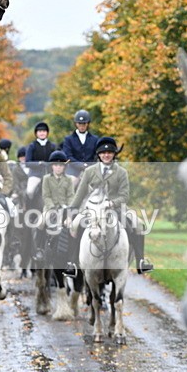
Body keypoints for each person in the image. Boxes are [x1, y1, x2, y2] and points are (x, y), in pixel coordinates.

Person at [69, 136, 154, 273]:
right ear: (98, 154)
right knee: (74, 225)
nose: (106, 155)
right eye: (103, 153)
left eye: (109, 153)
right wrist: (72, 209)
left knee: (138, 224)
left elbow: (125, 196)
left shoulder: (122, 172)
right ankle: (72, 263)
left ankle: (141, 261)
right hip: (92, 209)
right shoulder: (89, 171)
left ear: (114, 154)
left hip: (116, 209)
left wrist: (112, 203)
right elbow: (80, 193)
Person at [33, 150, 75, 262]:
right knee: (40, 222)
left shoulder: (69, 179)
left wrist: (68, 208)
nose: (58, 168)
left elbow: (71, 195)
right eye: (56, 165)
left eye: (61, 165)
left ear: (64, 167)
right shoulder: (46, 178)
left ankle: (73, 255)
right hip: (50, 208)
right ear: (52, 166)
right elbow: (46, 196)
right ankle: (40, 248)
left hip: (65, 209)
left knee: (74, 225)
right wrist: (52, 207)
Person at [61, 109, 99, 184]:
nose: (82, 126)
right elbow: (68, 156)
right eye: (79, 123)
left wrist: (90, 165)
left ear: (87, 124)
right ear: (76, 124)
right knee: (72, 183)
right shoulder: (68, 139)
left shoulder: (95, 139)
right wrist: (81, 165)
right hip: (73, 170)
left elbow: (96, 155)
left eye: (84, 123)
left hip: (90, 169)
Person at [24, 122, 58, 201]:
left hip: (50, 174)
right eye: (40, 131)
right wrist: (39, 163)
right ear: (36, 133)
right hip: (36, 175)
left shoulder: (52, 146)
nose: (42, 133)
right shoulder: (32, 146)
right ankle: (27, 210)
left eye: (44, 131)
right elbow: (27, 162)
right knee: (29, 191)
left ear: (47, 133)